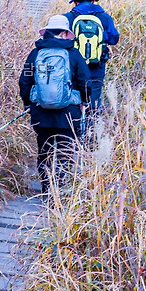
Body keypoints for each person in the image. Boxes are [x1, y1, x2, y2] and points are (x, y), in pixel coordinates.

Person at [19, 14, 91, 192]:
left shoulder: (36, 53)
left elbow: (24, 80)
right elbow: (85, 81)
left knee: (45, 151)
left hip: (41, 113)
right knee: (64, 153)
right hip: (69, 114)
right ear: (65, 33)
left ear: (48, 32)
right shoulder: (73, 54)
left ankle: (46, 190)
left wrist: (27, 103)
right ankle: (58, 192)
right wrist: (85, 101)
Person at [64, 0, 119, 117]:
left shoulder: (68, 18)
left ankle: (75, 127)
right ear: (93, 1)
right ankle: (91, 128)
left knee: (73, 103)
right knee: (93, 106)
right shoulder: (104, 17)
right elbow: (114, 39)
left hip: (73, 69)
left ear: (75, 2)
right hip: (96, 69)